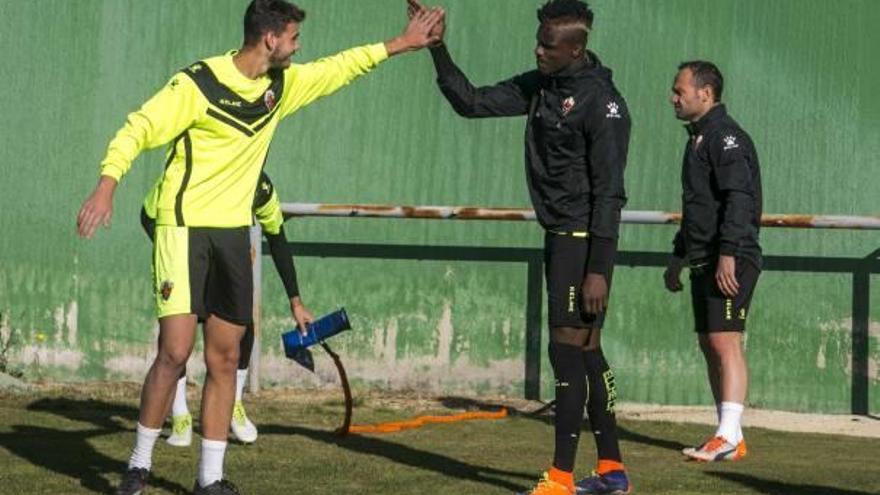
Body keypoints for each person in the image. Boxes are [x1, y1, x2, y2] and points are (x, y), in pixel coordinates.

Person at [76, 0, 444, 492]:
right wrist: (107, 183)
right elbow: (138, 127)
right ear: (270, 38)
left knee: (225, 358)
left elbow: (339, 69)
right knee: (175, 352)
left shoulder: (281, 85)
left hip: (233, 235)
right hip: (182, 228)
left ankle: (211, 478)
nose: (298, 46)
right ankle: (138, 464)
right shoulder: (197, 84)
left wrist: (400, 44)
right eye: (293, 37)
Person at [409, 0, 631, 493]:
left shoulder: (602, 102)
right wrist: (438, 48)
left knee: (566, 353)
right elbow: (470, 101)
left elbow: (611, 191)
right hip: (560, 237)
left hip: (581, 241)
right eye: (538, 41)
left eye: (548, 45)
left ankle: (559, 477)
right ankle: (613, 471)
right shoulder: (542, 86)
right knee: (588, 354)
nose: (538, 50)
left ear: (575, 48)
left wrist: (600, 268)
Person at [140, 172, 313, 448]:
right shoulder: (192, 167)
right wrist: (174, 254)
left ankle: (232, 404)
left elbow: (277, 236)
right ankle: (180, 413)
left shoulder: (260, 185)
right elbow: (147, 214)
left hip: (224, 262)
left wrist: (296, 301)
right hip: (183, 254)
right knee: (176, 341)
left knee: (243, 329)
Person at [663, 60, 762, 462]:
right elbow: (698, 209)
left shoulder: (726, 138)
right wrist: (678, 258)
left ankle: (727, 436)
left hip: (731, 257)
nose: (673, 97)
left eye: (679, 90)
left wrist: (728, 255)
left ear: (705, 93)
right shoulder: (698, 139)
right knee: (709, 343)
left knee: (725, 341)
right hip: (704, 258)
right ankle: (730, 435)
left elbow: (740, 199)